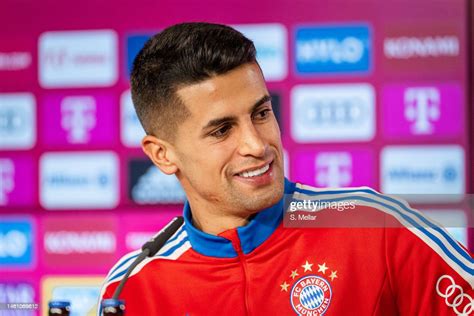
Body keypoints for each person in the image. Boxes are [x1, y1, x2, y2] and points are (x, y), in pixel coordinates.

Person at [99, 22, 473, 315]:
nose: (257, 145)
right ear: (163, 155)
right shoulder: (130, 288)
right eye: (222, 130)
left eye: (261, 113)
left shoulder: (376, 228)